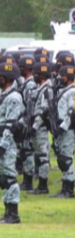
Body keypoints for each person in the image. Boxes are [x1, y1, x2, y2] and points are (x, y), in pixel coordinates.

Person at [0, 62, 25, 222]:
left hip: (6, 143)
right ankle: (7, 211)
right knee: (2, 178)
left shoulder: (13, 97)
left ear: (8, 78)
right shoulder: (1, 95)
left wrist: (2, 147)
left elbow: (11, 125)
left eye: (0, 77)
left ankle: (13, 213)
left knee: (9, 177)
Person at [28, 62, 54, 195]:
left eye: (36, 74)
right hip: (36, 125)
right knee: (38, 155)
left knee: (43, 157)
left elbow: (44, 111)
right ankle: (40, 185)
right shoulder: (41, 88)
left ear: (42, 75)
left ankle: (43, 186)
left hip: (41, 126)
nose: (34, 76)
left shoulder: (46, 90)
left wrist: (34, 126)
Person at [52, 65, 74, 198]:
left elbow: (72, 112)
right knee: (62, 158)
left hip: (68, 128)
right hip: (62, 126)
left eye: (63, 76)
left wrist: (62, 127)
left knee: (66, 159)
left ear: (69, 77)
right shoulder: (64, 90)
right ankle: (65, 187)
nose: (60, 78)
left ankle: (69, 189)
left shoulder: (72, 91)